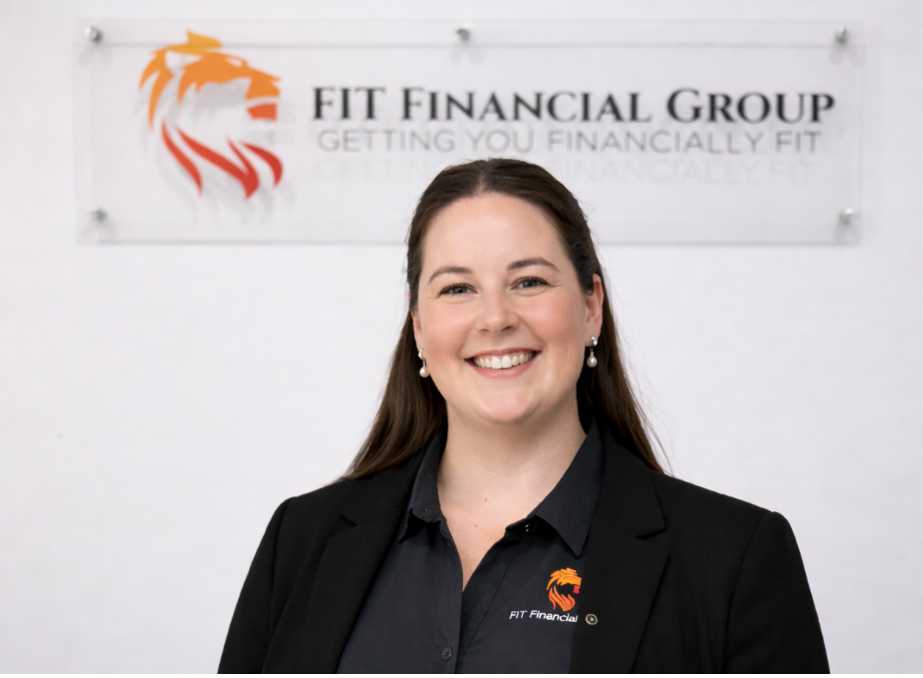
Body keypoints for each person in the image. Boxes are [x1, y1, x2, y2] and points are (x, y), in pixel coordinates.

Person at [218, 158, 829, 674]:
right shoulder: (302, 541)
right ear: (419, 326)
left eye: (529, 281)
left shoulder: (733, 559)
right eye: (457, 288)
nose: (495, 318)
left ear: (592, 306)